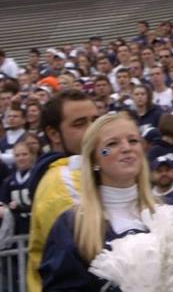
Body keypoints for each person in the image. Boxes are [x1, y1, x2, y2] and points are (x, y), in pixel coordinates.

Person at [39, 113, 157, 291]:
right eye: (111, 144)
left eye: (133, 141)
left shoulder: (171, 213)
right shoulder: (71, 227)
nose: (126, 148)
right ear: (95, 158)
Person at [26, 89, 99, 292]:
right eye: (80, 123)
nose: (93, 129)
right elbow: (93, 250)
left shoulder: (89, 168)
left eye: (96, 120)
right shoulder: (61, 183)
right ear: (53, 134)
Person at [0, 139, 36, 235]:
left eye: (24, 154)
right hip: (17, 228)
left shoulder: (38, 176)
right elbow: (0, 205)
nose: (21, 158)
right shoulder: (9, 181)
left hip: (35, 226)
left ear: (32, 156)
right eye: (17, 155)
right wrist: (5, 210)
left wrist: (21, 208)